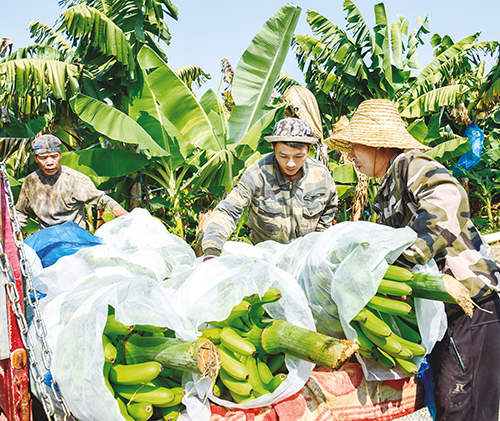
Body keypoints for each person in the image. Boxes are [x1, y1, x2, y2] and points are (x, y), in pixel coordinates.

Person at [326, 98, 500, 421]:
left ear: (376, 143)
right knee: (451, 407)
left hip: (470, 302)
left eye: (354, 146)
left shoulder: (410, 164)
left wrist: (403, 261)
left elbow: (448, 197)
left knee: (465, 409)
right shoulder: (386, 190)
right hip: (446, 311)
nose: (350, 156)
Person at [201, 117, 338, 259]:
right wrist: (212, 250)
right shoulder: (257, 174)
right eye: (283, 155)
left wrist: (316, 245)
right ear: (273, 147)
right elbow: (228, 211)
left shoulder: (321, 176)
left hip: (305, 258)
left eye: (299, 156)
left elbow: (328, 210)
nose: (291, 164)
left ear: (309, 149)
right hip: (266, 260)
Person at [16, 134, 128, 230]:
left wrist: (130, 219)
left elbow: (102, 200)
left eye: (54, 156)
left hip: (74, 238)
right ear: (35, 158)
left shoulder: (74, 179)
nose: (50, 162)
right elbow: (21, 212)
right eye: (43, 158)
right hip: (47, 241)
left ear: (59, 155)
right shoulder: (31, 182)